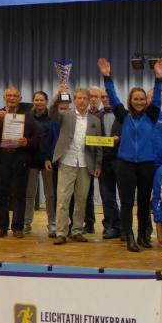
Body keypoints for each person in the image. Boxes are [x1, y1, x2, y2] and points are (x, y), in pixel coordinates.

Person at [98, 57, 162, 252]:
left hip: (147, 164)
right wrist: (107, 77)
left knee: (144, 202)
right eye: (135, 99)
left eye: (142, 99)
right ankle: (129, 236)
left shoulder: (151, 115)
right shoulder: (123, 115)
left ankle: (143, 235)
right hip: (125, 165)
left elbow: (158, 98)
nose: (139, 101)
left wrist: (158, 78)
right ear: (130, 100)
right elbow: (113, 97)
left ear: (146, 101)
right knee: (127, 203)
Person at [0, 86, 40, 238]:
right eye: (8, 95)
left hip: (21, 159)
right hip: (2, 158)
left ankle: (17, 227)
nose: (11, 98)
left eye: (15, 96)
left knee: (20, 194)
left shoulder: (27, 116)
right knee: (2, 194)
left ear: (20, 98)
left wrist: (27, 142)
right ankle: (1, 227)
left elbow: (36, 139)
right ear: (4, 98)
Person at [48, 88, 102, 244]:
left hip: (86, 164)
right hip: (67, 162)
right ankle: (61, 232)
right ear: (74, 100)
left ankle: (77, 230)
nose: (82, 101)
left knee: (81, 199)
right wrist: (57, 98)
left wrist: (98, 164)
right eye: (78, 98)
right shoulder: (66, 115)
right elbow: (52, 113)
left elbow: (99, 145)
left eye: (85, 98)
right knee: (63, 199)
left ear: (89, 100)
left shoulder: (95, 121)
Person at [23, 91, 57, 236]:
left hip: (48, 161)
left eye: (41, 100)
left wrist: (48, 157)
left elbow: (54, 140)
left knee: (50, 194)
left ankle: (52, 224)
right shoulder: (27, 117)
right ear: (33, 101)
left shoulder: (52, 117)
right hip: (31, 160)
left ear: (46, 101)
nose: (39, 102)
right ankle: (26, 223)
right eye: (36, 100)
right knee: (29, 194)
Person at [98, 86, 122, 239]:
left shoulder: (124, 115)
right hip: (103, 160)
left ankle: (123, 227)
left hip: (121, 160)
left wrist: (120, 139)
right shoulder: (96, 116)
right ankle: (111, 226)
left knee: (125, 196)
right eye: (103, 97)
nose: (106, 99)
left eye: (108, 96)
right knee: (107, 196)